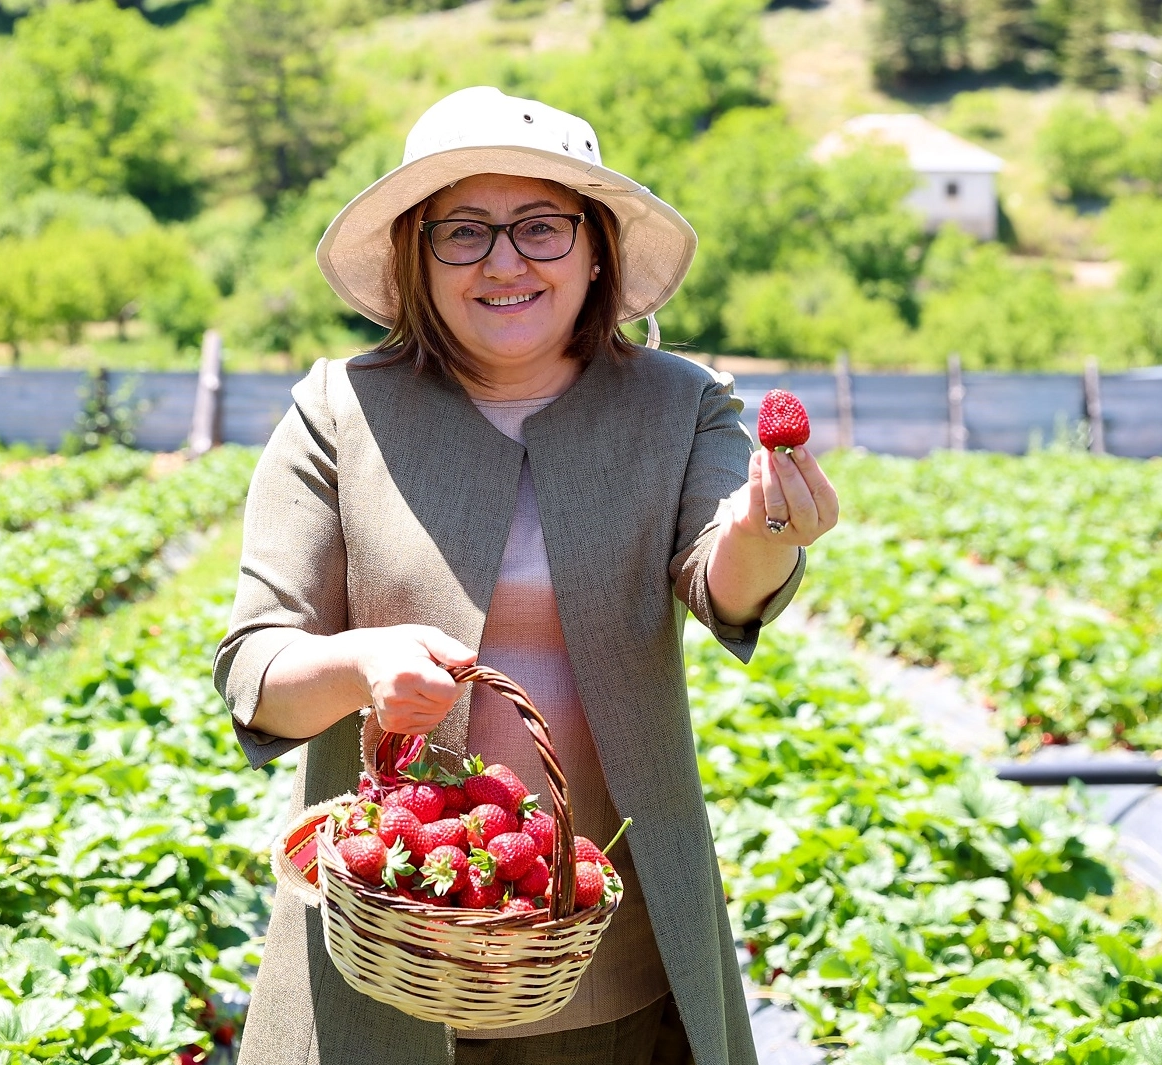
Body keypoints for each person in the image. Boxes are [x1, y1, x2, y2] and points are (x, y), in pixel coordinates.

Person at [213, 86, 839, 1065]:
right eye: (463, 232)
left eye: (540, 226)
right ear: (416, 259)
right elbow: (256, 669)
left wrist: (772, 518)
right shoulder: (339, 414)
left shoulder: (678, 406)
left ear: (595, 249)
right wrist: (357, 665)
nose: (504, 260)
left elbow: (724, 576)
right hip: (389, 948)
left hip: (612, 963)